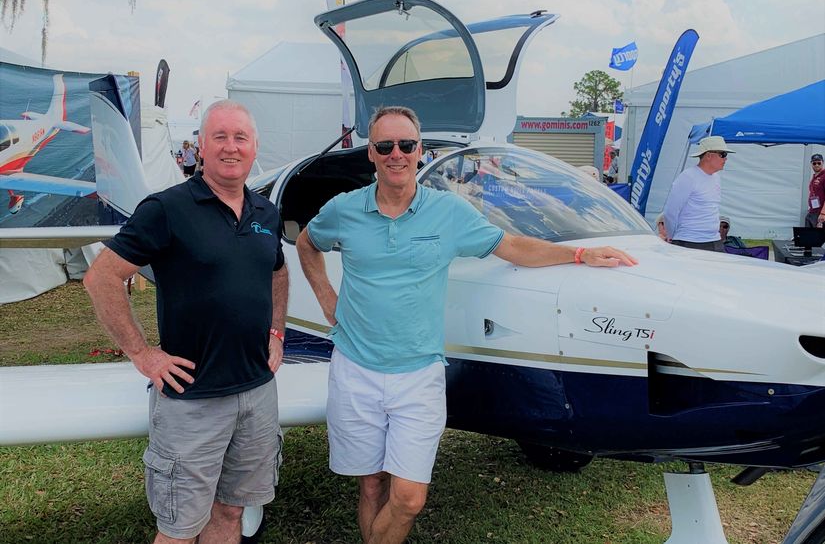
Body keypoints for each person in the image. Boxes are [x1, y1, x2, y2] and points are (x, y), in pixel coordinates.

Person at [295, 105, 637, 544]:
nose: (396, 153)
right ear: (372, 154)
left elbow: (511, 245)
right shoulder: (345, 209)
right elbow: (308, 243)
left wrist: (578, 254)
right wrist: (327, 297)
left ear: (420, 151)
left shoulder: (448, 212)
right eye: (385, 146)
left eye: (406, 145)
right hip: (355, 368)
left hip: (418, 374)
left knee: (409, 498)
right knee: (372, 484)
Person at [84, 100, 288, 544]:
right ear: (200, 145)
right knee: (179, 529)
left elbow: (277, 271)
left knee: (231, 512)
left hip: (256, 393)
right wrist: (142, 353)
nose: (230, 147)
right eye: (220, 136)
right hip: (191, 400)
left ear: (255, 148)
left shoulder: (265, 214)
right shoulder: (167, 208)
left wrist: (276, 332)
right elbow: (101, 277)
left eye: (240, 138)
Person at [662, 136, 735, 252]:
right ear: (709, 155)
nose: (726, 159)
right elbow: (671, 211)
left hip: (714, 240)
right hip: (689, 241)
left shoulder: (716, 178)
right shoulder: (687, 177)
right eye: (723, 154)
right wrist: (671, 236)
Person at [805, 153, 825, 228]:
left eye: (819, 163)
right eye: (814, 163)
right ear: (811, 164)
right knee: (809, 236)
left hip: (820, 214)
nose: (816, 165)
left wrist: (823, 213)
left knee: (819, 238)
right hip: (812, 212)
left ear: (822, 163)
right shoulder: (814, 177)